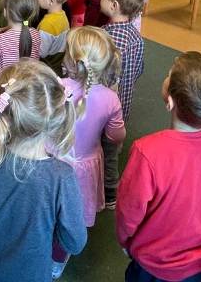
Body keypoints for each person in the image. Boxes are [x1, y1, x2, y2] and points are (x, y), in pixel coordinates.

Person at [0, 60, 87, 282]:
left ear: (5, 115)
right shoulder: (62, 177)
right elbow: (74, 242)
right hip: (34, 273)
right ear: (56, 115)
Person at [116, 52, 201, 282]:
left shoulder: (147, 151)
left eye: (169, 74)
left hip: (155, 266)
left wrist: (125, 240)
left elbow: (128, 210)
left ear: (170, 101)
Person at [53, 27, 125, 278]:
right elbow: (116, 136)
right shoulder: (110, 99)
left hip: (52, 160)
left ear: (72, 61)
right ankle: (58, 259)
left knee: (49, 208)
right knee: (72, 215)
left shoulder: (58, 87)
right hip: (84, 167)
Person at [100, 0, 145, 208]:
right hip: (123, 105)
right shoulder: (136, 35)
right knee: (113, 144)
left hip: (104, 109)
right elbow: (138, 69)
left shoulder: (107, 37)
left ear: (114, 5)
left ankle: (110, 193)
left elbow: (104, 78)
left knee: (106, 152)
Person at [36, 0, 74, 72]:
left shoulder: (47, 24)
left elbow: (41, 53)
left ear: (51, 0)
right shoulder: (62, 15)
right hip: (57, 64)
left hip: (47, 68)